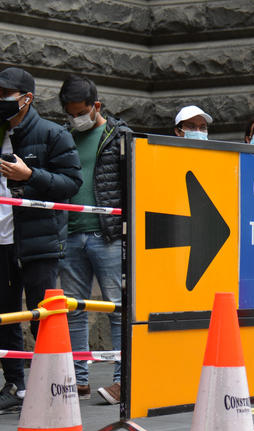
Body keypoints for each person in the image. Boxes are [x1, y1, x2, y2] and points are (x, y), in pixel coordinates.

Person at [0, 67, 82, 413]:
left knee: (43, 316)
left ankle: (51, 384)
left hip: (38, 241)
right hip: (2, 240)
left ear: (26, 98)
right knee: (5, 314)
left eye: (4, 94)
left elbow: (71, 184)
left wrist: (29, 174)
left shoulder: (52, 134)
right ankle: (16, 385)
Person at [58, 75, 131, 405]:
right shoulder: (63, 137)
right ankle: (79, 379)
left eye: (80, 112)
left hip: (108, 235)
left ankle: (121, 380)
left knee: (117, 308)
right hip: (71, 233)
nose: (75, 118)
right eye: (70, 113)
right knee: (74, 310)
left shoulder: (119, 136)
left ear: (96, 106)